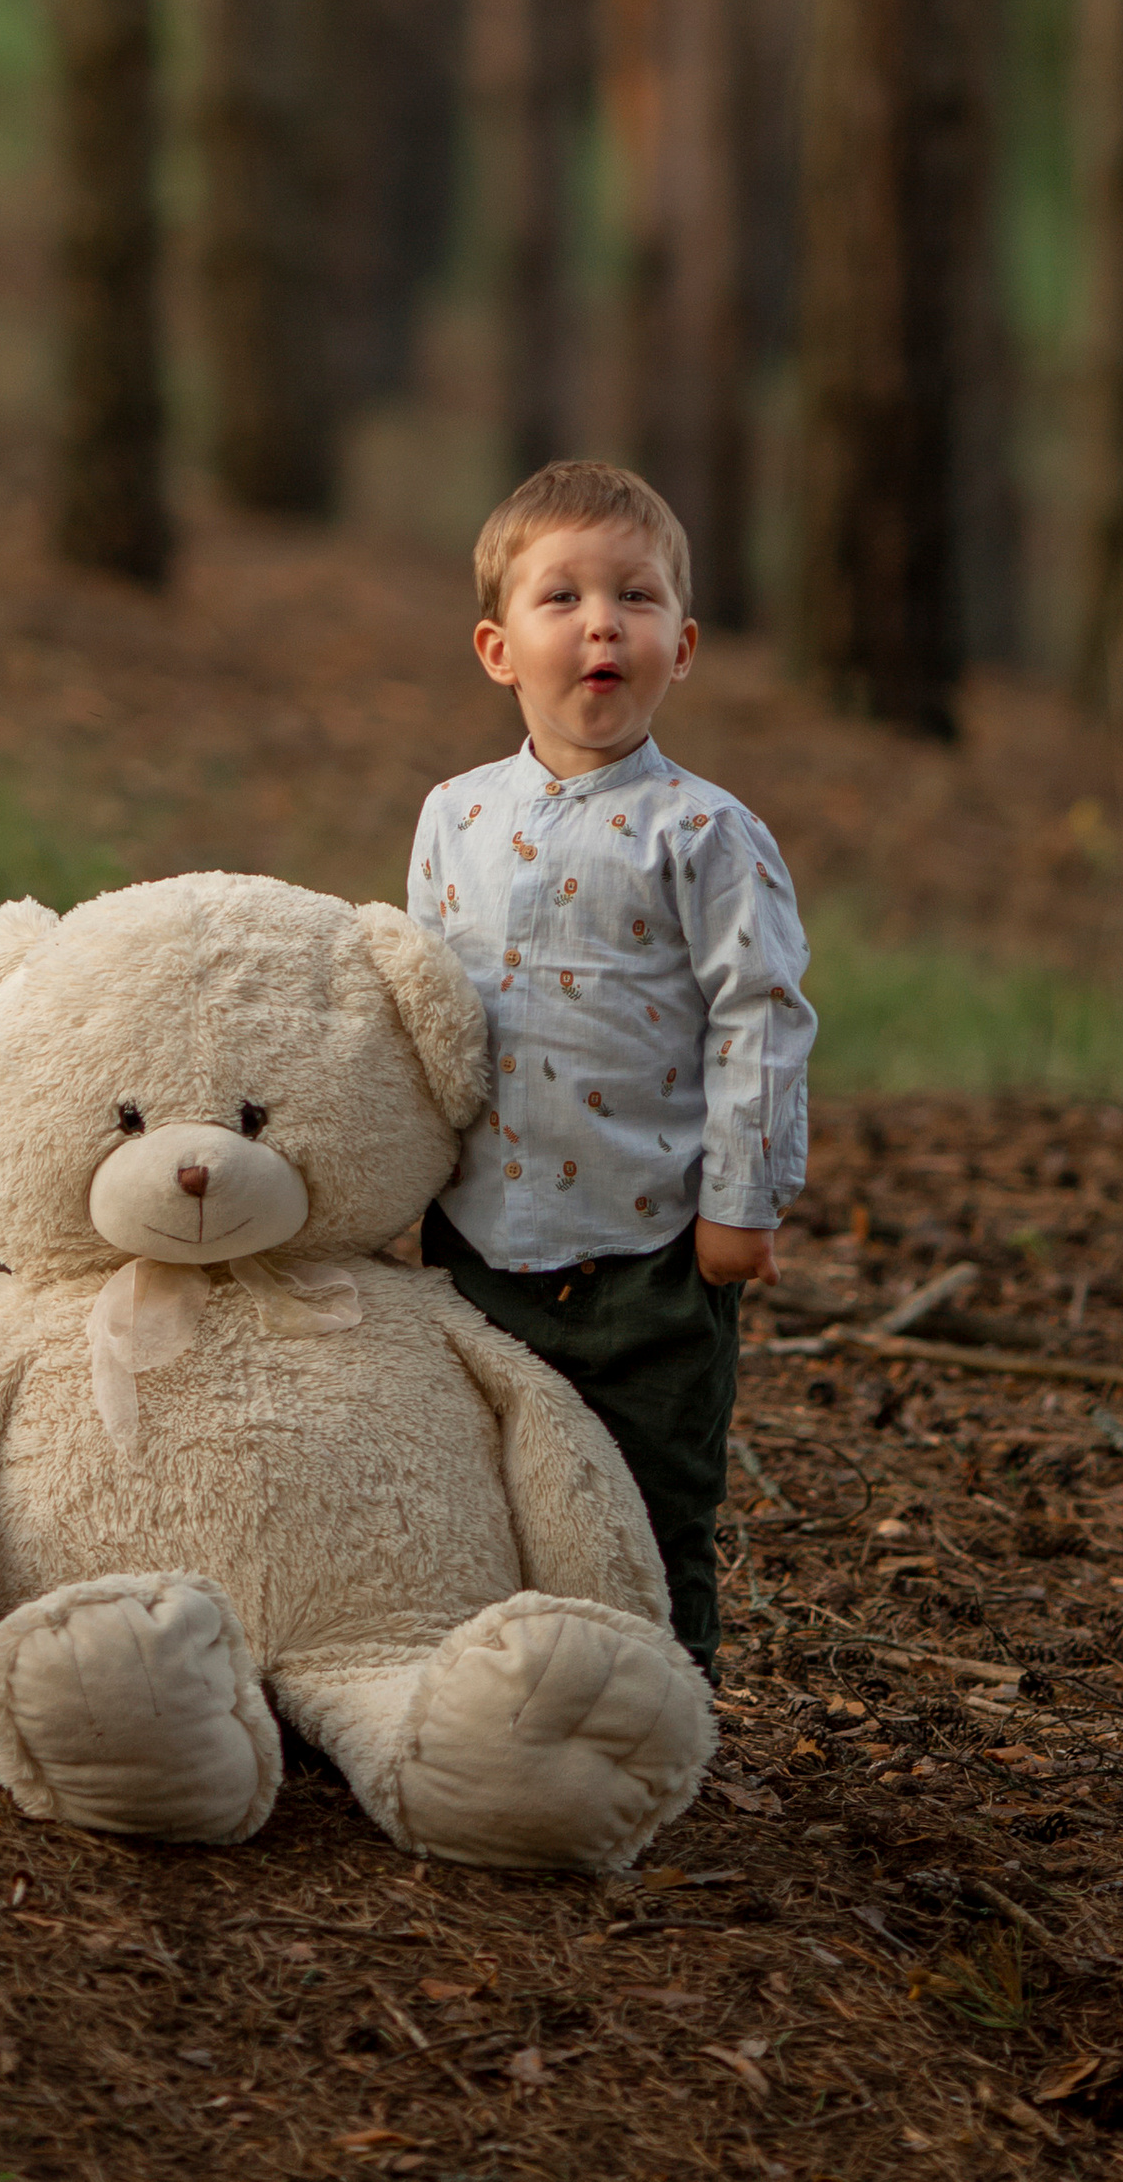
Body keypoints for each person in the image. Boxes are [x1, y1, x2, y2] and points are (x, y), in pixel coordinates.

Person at [405, 458, 814, 1676]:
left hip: (648, 1256)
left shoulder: (703, 834)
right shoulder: (453, 816)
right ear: (496, 647)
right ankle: (483, 1698)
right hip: (476, 1244)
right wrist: (392, 1189)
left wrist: (740, 1205)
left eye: (633, 598)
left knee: (647, 1506)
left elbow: (762, 1018)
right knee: (483, 1495)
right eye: (562, 597)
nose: (600, 622)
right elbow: (418, 1011)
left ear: (679, 646)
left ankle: (658, 1714)